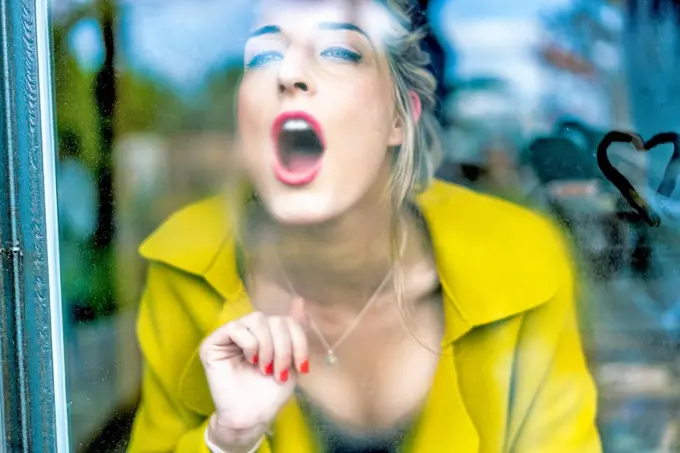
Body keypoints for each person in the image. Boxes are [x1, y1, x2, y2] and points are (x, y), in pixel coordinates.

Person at [127, 1, 601, 452]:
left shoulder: (519, 264)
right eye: (264, 54)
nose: (288, 74)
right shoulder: (186, 271)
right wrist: (229, 439)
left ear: (401, 118)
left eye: (339, 52)